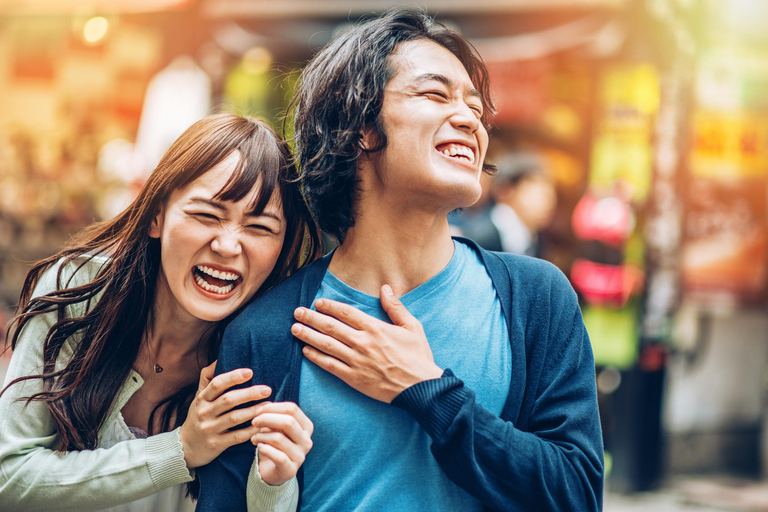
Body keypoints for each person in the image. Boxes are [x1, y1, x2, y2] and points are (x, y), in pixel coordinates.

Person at [197, 11, 603, 511]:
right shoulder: (267, 331)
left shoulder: (536, 297)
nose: (469, 119)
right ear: (359, 128)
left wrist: (428, 391)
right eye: (435, 94)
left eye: (475, 108)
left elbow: (578, 494)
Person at [0, 114, 322, 512]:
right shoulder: (79, 293)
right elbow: (9, 475)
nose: (227, 245)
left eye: (258, 227)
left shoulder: (267, 346)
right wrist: (181, 448)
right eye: (206, 215)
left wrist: (275, 482)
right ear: (157, 216)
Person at [489, 151, 557, 257]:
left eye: (549, 187)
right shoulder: (478, 240)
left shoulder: (538, 242)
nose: (549, 197)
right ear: (505, 190)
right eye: (536, 186)